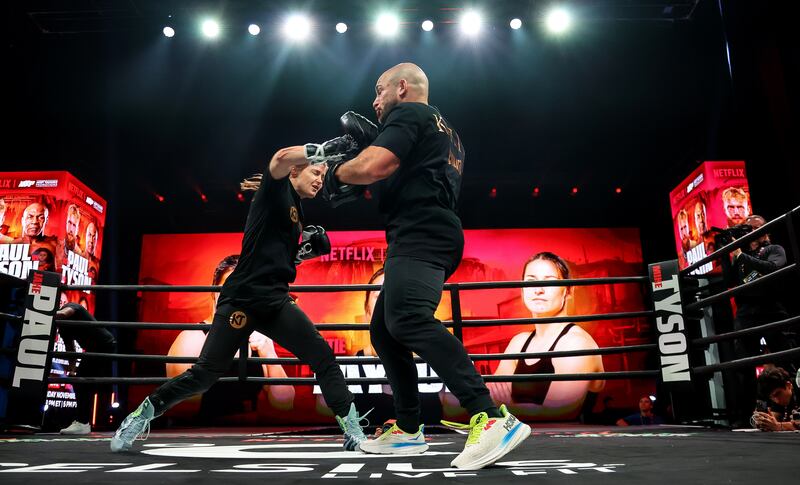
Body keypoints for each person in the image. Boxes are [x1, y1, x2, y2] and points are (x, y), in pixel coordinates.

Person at [324, 62, 530, 469]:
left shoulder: (410, 112)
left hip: (423, 231)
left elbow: (375, 167)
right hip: (426, 231)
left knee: (408, 319)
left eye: (379, 90)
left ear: (402, 88)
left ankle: (489, 416)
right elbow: (402, 173)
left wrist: (334, 172)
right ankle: (408, 429)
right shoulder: (445, 129)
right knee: (384, 330)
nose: (374, 100)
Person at [111, 144, 370, 453]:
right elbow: (278, 158)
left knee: (324, 359)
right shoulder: (275, 191)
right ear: (296, 171)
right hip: (242, 299)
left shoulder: (296, 210)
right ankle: (141, 416)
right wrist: (325, 148)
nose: (320, 179)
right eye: (316, 171)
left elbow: (271, 258)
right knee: (204, 375)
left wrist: (301, 254)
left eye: (323, 174)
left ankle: (353, 430)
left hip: (275, 301)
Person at [166, 254, 295, 415]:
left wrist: (269, 353)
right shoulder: (193, 337)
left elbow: (285, 404)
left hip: (248, 436)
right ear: (214, 292)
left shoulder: (255, 338)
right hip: (205, 435)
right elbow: (184, 406)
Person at [487, 252, 605, 420]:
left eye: (549, 281)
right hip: (520, 441)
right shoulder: (518, 343)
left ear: (568, 290)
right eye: (531, 281)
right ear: (522, 290)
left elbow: (558, 412)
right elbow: (491, 398)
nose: (538, 290)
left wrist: (502, 407)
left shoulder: (576, 343)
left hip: (570, 443)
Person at [723, 214, 794, 425]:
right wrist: (730, 252)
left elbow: (772, 268)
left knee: (786, 361)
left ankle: (794, 409)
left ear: (765, 230)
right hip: (746, 313)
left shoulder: (774, 249)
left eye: (755, 228)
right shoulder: (742, 255)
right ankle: (745, 417)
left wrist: (741, 256)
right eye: (747, 229)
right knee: (744, 366)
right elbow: (731, 281)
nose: (751, 231)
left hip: (771, 308)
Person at [56, 302, 117, 434]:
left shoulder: (72, 307)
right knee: (83, 383)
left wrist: (45, 315)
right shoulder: (62, 326)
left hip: (104, 345)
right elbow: (70, 348)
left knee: (85, 383)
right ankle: (82, 422)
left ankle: (83, 422)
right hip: (94, 349)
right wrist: (71, 371)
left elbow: (65, 313)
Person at [752, 367, 798, 431]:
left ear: (788, 385)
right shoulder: (776, 396)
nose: (776, 400)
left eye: (777, 394)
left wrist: (779, 426)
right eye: (771, 397)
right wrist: (764, 421)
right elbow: (775, 419)